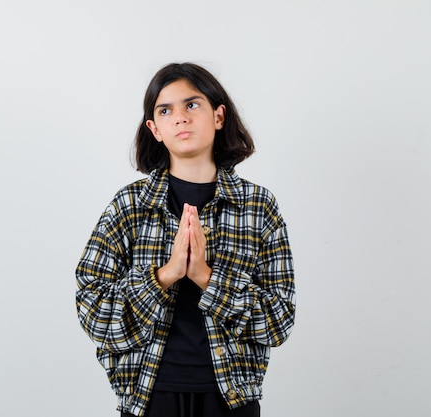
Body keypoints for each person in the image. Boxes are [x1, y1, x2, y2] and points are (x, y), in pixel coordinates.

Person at [75, 62, 296, 417]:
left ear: (218, 116)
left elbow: (279, 319)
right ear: (155, 129)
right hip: (148, 397)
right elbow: (94, 312)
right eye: (166, 110)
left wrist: (207, 278)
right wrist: (165, 274)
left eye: (192, 105)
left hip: (231, 400)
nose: (180, 118)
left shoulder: (259, 206)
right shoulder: (128, 206)